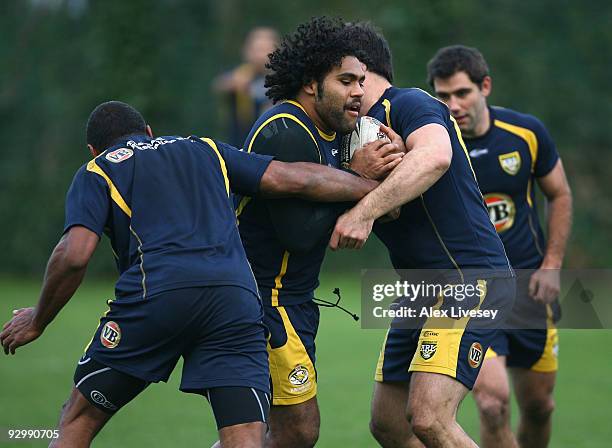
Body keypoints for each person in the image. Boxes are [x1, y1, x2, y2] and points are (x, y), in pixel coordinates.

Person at [0, 100, 381, 448]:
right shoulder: (204, 148)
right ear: (150, 131)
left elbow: (74, 254)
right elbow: (297, 178)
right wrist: (372, 190)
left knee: (76, 422)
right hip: (235, 299)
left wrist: (38, 319)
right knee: (246, 440)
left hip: (157, 295)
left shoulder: (98, 169)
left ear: (93, 150)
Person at [330, 23, 516, 447]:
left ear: (359, 68)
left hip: (470, 279)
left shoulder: (409, 103)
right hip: (419, 291)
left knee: (430, 417)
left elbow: (435, 157)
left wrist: (363, 213)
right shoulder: (349, 134)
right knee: (389, 424)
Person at [236, 16, 404, 448]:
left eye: (362, 81)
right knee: (297, 431)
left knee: (277, 433)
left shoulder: (330, 132)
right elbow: (300, 234)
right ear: (312, 83)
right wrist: (357, 178)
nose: (358, 93)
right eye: (346, 80)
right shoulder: (286, 130)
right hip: (264, 299)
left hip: (292, 299)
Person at [427, 45, 572, 448]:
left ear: (485, 86)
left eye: (462, 93)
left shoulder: (525, 133)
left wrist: (553, 263)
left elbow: (559, 194)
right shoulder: (431, 145)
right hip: (473, 290)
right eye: (443, 96)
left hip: (530, 289)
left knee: (540, 406)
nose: (453, 105)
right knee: (492, 403)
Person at [213, 27, 279, 147]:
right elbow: (220, 85)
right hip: (240, 145)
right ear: (247, 51)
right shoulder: (242, 75)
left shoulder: (282, 78)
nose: (261, 55)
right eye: (257, 49)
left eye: (266, 49)